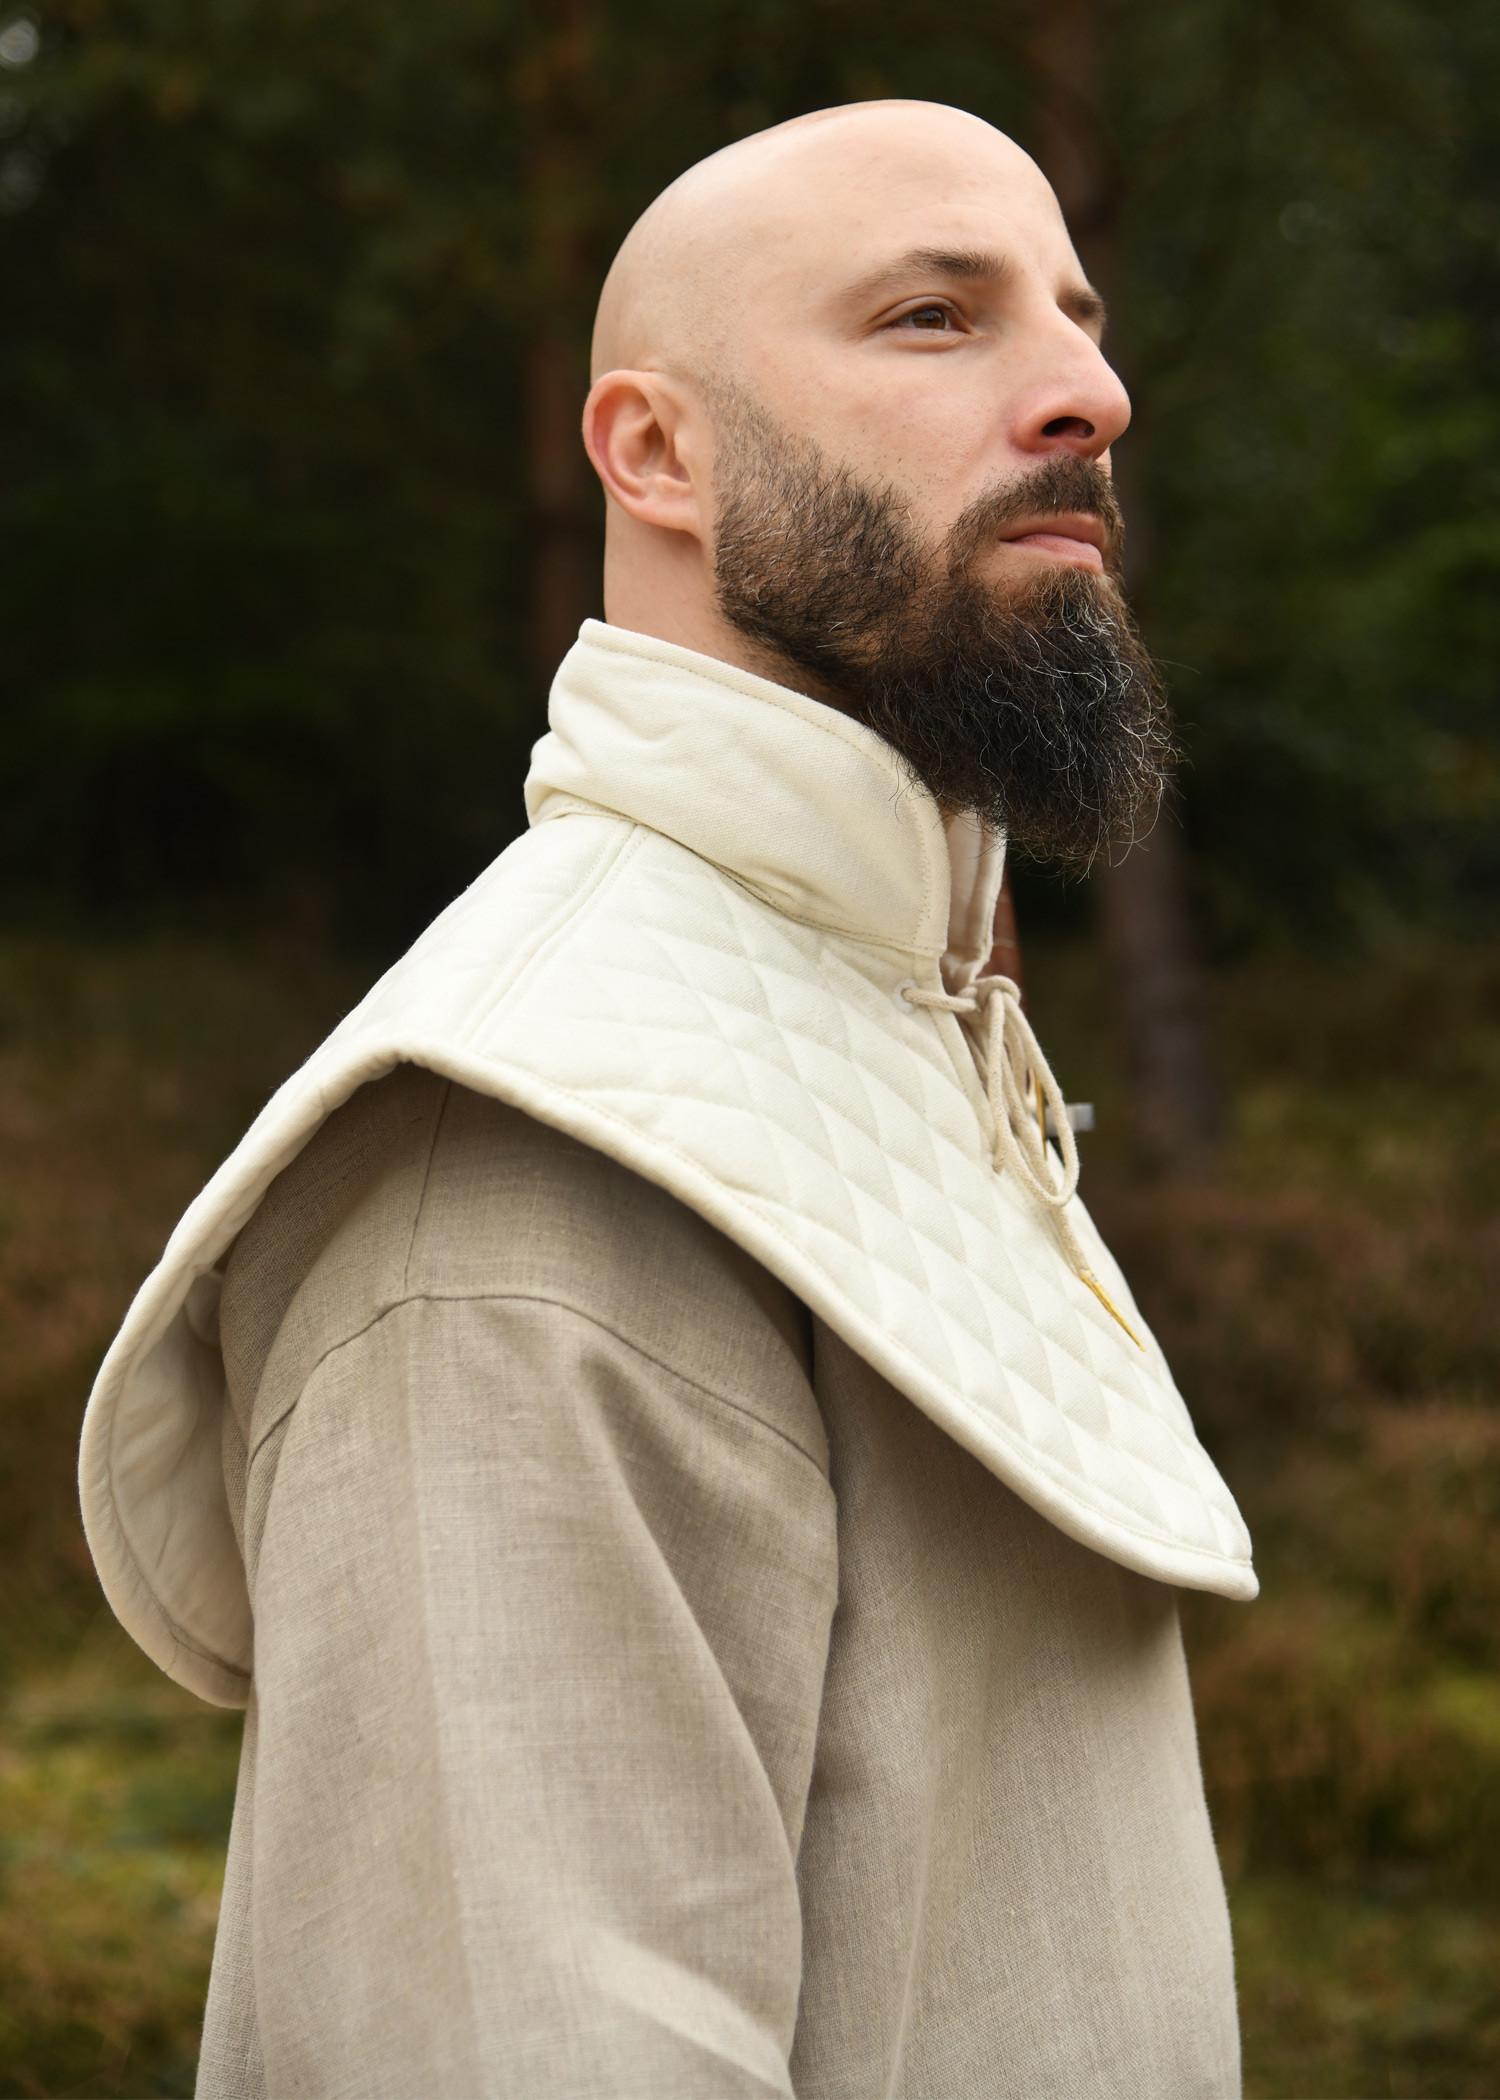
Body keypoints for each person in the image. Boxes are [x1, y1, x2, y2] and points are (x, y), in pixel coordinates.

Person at [81, 100, 1256, 2099]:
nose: (1092, 392)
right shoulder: (517, 1185)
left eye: (1078, 315)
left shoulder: (889, 999)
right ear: (654, 455)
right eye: (933, 315)